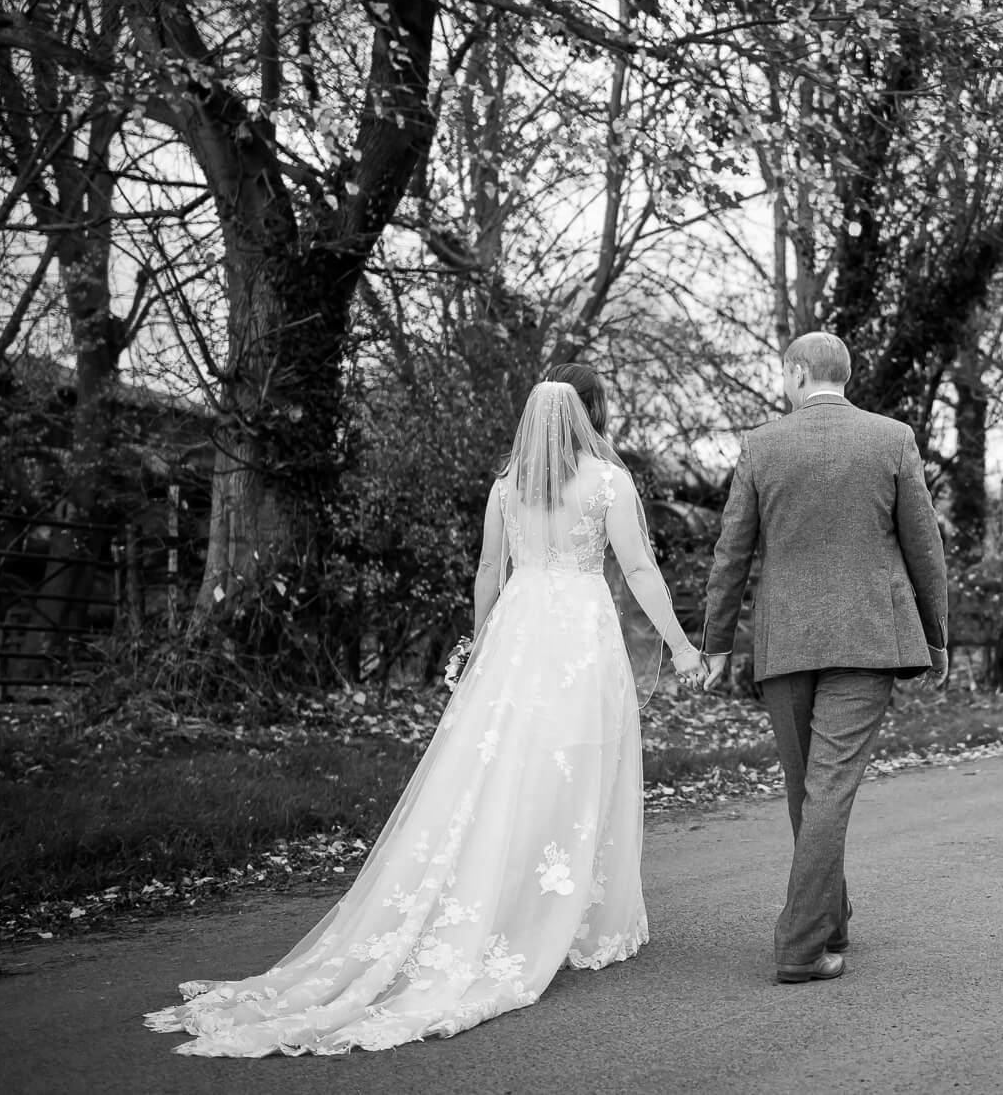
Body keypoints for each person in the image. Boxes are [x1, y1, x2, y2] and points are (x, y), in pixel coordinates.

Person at [146, 376, 710, 1056]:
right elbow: (641, 569)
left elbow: (487, 572)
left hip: (519, 632)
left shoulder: (507, 489)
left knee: (501, 770)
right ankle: (571, 917)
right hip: (579, 639)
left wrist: (480, 643)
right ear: (585, 420)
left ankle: (525, 905)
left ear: (531, 422)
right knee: (578, 769)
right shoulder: (609, 482)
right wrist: (680, 643)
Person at [702, 331, 949, 985]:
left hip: (784, 643)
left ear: (797, 371)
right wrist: (937, 632)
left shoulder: (761, 445)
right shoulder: (891, 438)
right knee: (827, 790)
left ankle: (821, 925)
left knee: (808, 788)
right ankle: (806, 943)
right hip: (867, 640)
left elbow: (731, 553)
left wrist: (718, 643)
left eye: (783, 375)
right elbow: (926, 548)